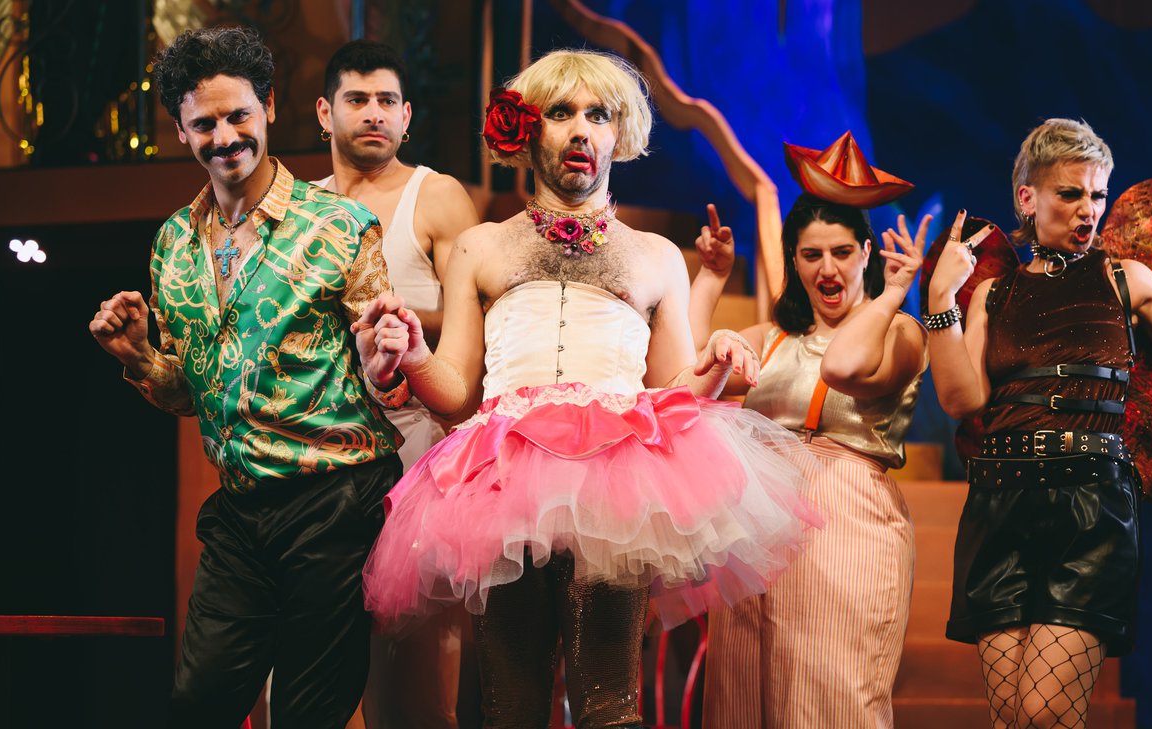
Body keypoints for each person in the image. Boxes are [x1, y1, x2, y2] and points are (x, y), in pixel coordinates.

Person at [354, 49, 819, 729]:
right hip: (502, 486)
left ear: (618, 131)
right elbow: (455, 391)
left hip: (615, 488)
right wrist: (418, 355)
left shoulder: (656, 255)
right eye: (560, 112)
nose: (580, 129)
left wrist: (716, 362)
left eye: (598, 114)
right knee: (510, 707)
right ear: (527, 129)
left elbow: (672, 391)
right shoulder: (480, 246)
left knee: (608, 704)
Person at [87, 26, 411, 729]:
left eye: (239, 115)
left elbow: (380, 367)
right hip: (240, 510)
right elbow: (191, 392)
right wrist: (139, 356)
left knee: (306, 713)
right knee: (197, 702)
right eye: (205, 124)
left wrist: (385, 360)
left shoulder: (340, 225)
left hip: (334, 499)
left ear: (267, 107)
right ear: (181, 131)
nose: (225, 136)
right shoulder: (173, 244)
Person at [925, 118, 1152, 729]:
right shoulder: (993, 294)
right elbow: (960, 399)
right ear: (1028, 198)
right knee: (1011, 718)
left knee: (1044, 713)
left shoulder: (1123, 278)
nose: (1089, 210)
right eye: (1070, 193)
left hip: (1089, 509)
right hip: (1000, 505)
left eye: (1098, 194)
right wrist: (940, 302)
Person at [692, 133, 937, 728]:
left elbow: (844, 368)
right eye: (811, 255)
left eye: (842, 252)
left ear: (867, 252)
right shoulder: (774, 339)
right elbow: (687, 375)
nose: (827, 269)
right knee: (742, 699)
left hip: (844, 519)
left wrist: (893, 294)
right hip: (756, 528)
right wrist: (712, 279)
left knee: (829, 698)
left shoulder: (899, 331)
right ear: (794, 261)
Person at [314, 39, 480, 729]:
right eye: (357, 99)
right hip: (322, 448)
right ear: (324, 112)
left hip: (417, 445)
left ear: (407, 116)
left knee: (417, 668)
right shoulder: (302, 208)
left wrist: (399, 317)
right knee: (318, 659)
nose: (373, 113)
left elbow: (481, 314)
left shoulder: (436, 196)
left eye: (387, 100)